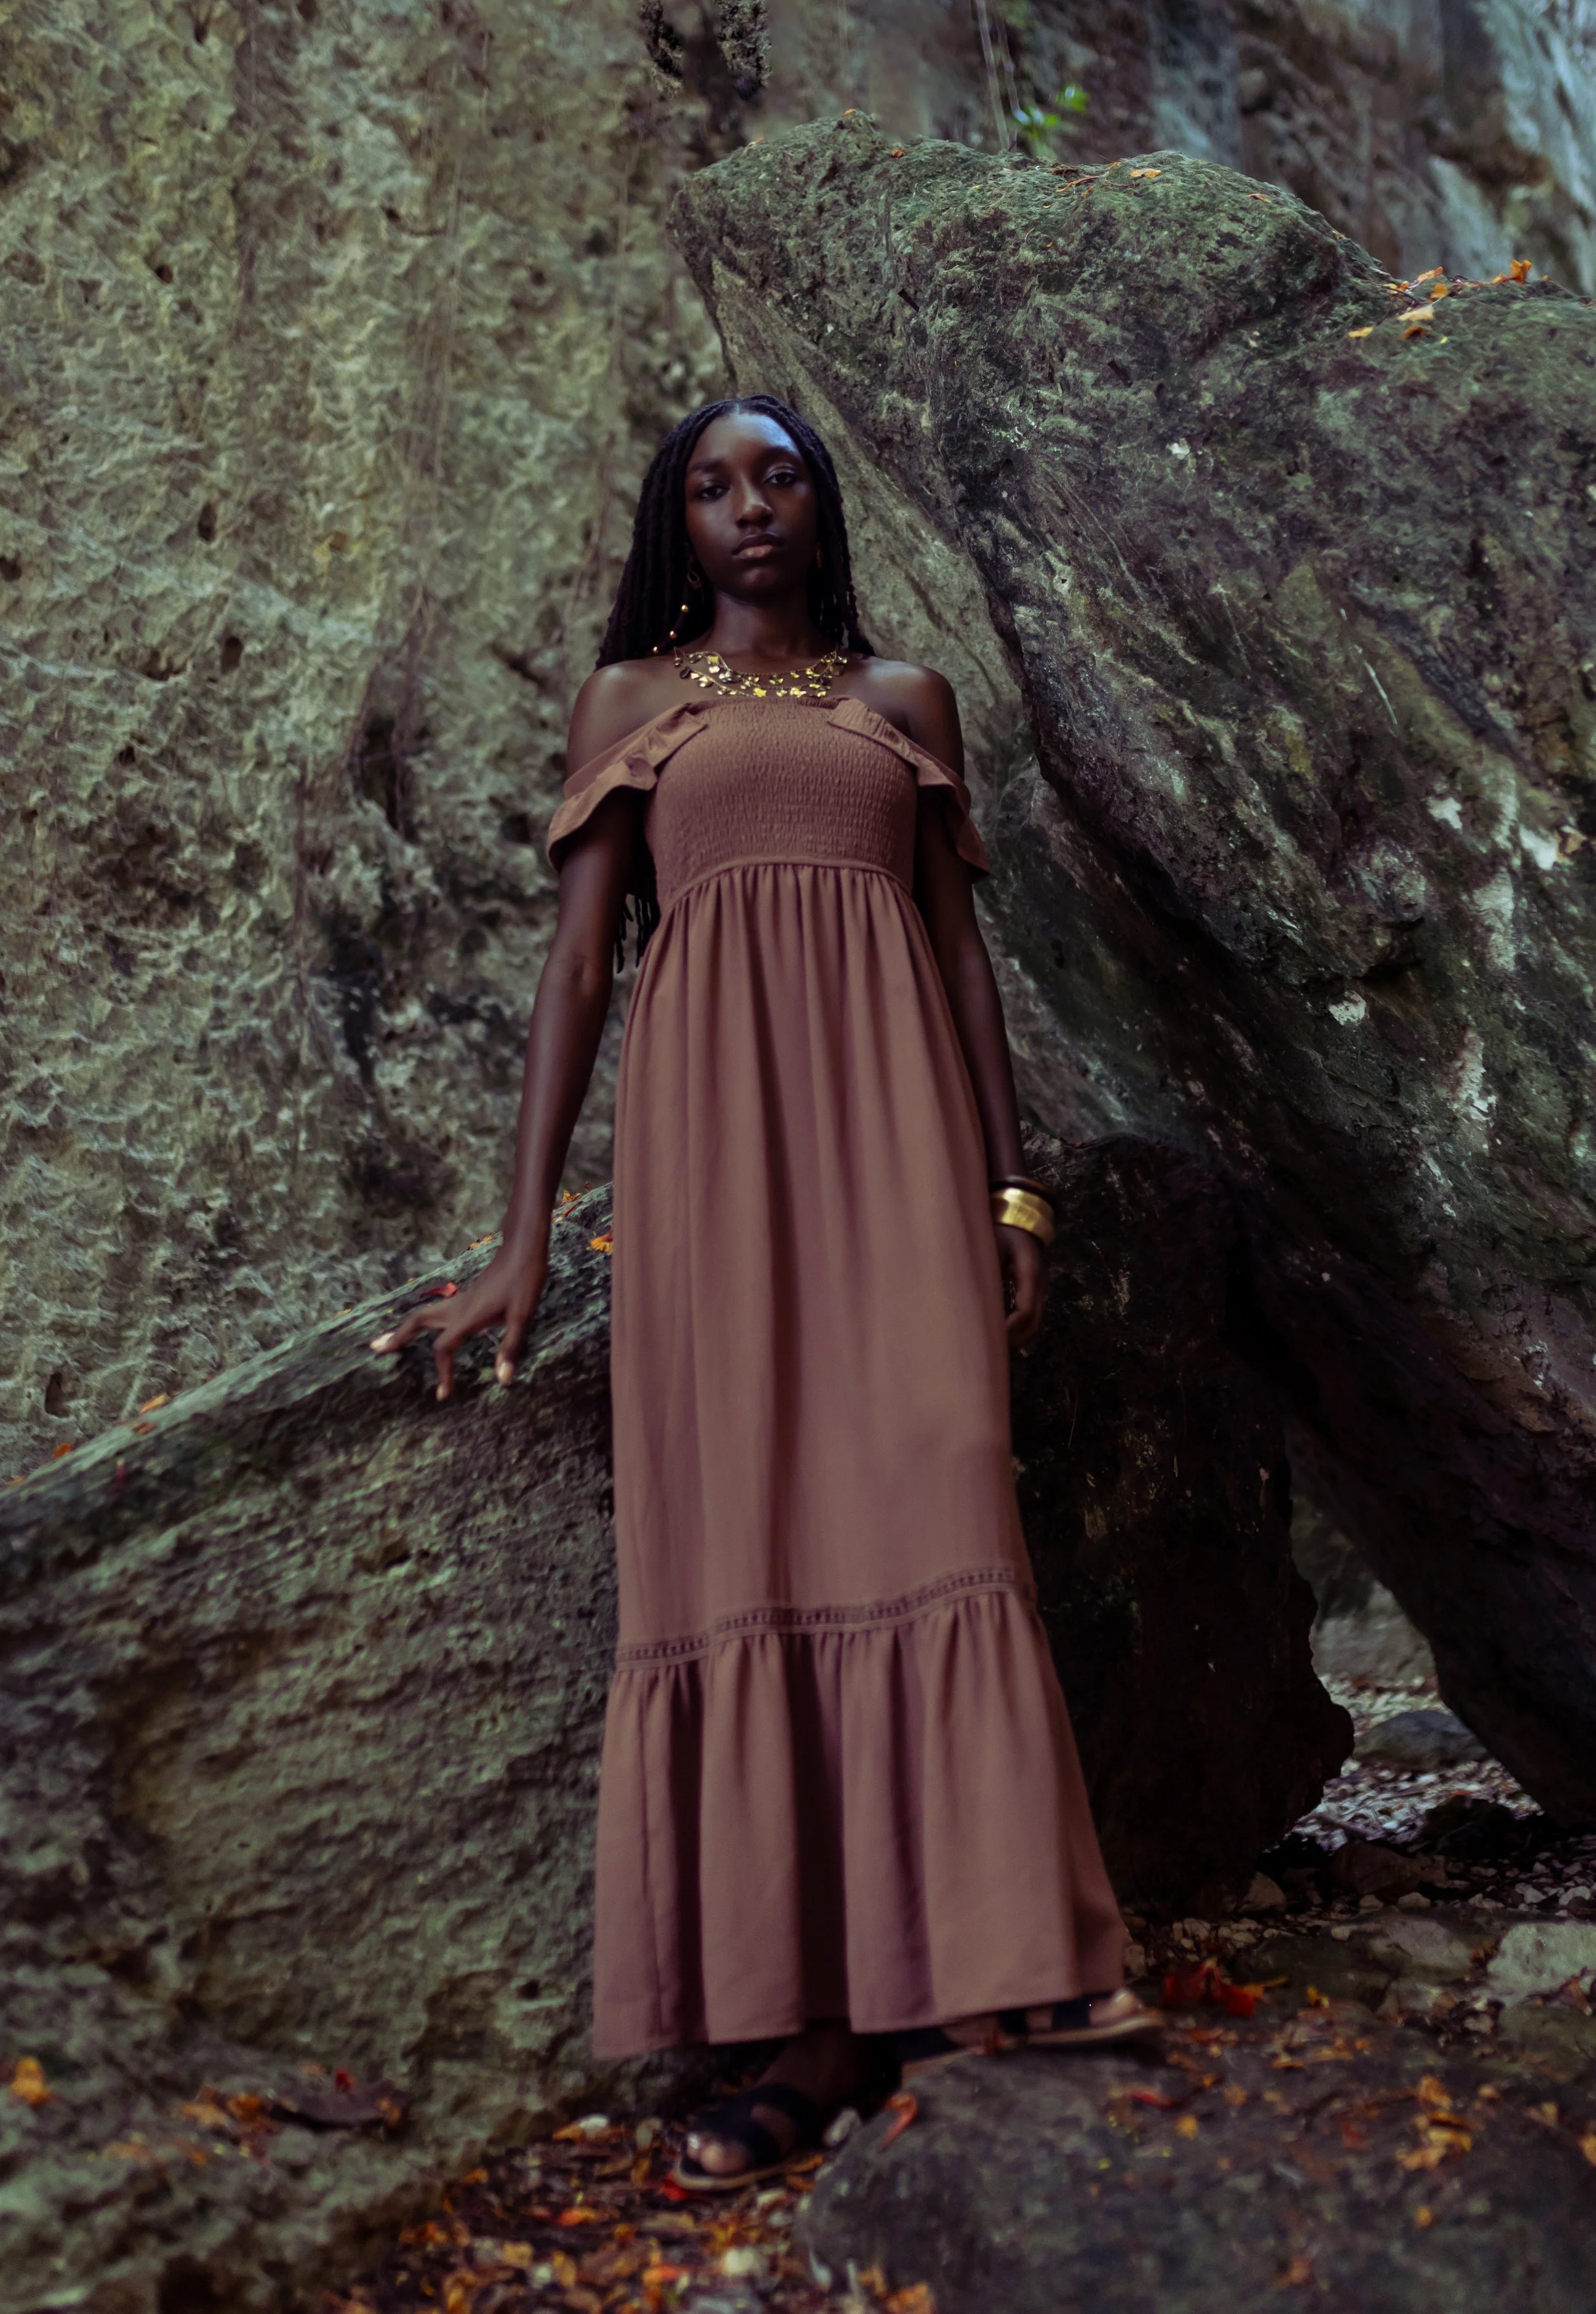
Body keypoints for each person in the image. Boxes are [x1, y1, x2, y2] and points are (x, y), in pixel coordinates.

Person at [373, 394, 1157, 2189]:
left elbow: (959, 956)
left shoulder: (904, 703)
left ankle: (1002, 1964)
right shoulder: (630, 707)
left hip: (899, 1144)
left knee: (942, 1486)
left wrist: (1012, 1188)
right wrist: (521, 1241)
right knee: (752, 1534)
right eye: (714, 485)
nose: (748, 507)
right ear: (678, 518)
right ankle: (815, 2034)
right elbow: (581, 967)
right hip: (713, 1165)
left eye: (778, 476)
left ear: (819, 506)